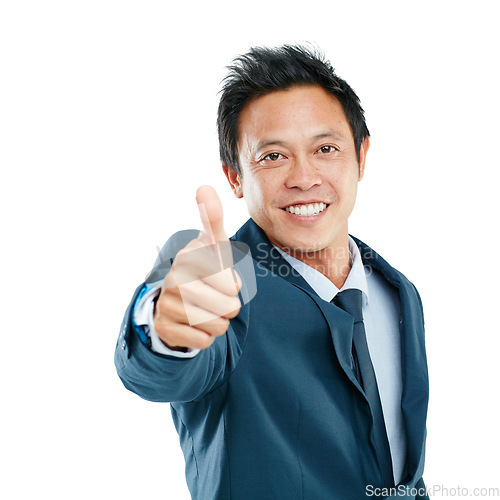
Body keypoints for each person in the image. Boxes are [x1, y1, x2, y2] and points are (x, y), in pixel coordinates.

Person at [115, 44, 430, 499]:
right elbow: (156, 373)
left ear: (361, 156)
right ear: (234, 176)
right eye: (272, 157)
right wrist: (168, 326)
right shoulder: (222, 279)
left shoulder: (398, 292)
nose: (304, 177)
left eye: (326, 148)